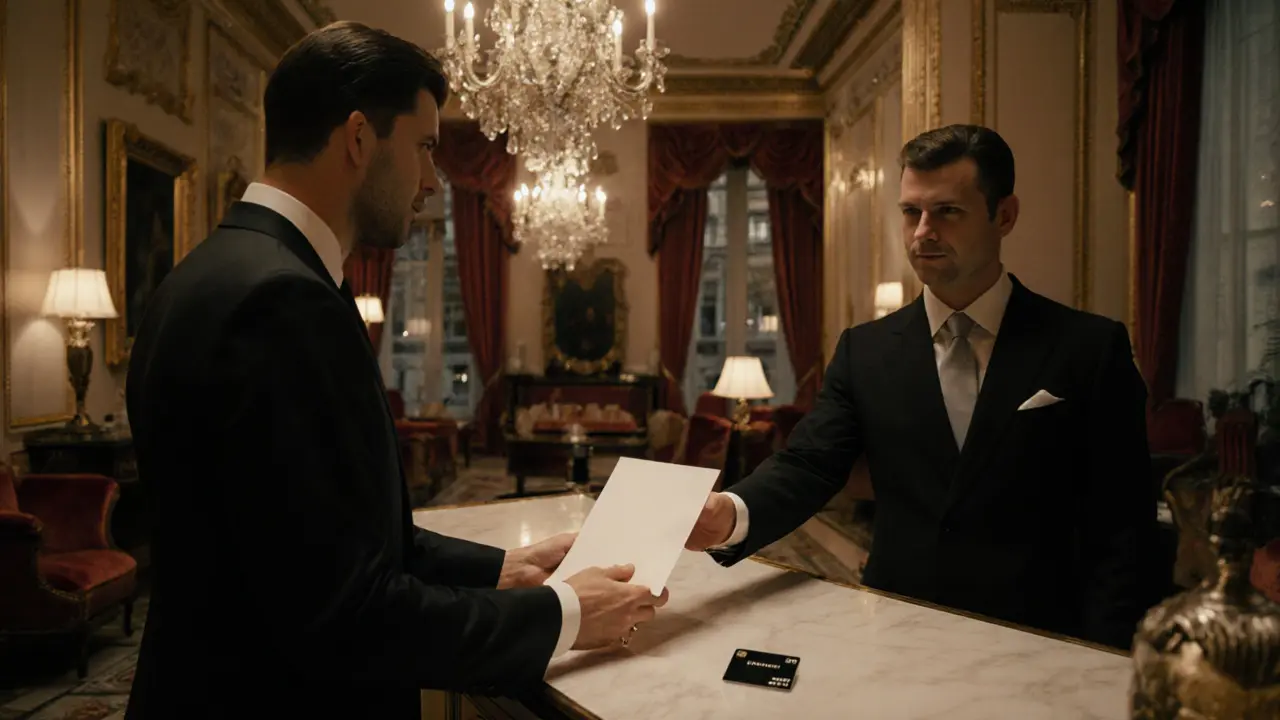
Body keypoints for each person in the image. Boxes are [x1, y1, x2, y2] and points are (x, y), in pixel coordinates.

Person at [124, 22, 665, 720]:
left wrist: (505, 568)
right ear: (358, 138)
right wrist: (565, 613)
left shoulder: (219, 271)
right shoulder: (281, 300)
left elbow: (336, 539)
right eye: (426, 148)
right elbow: (343, 614)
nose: (432, 182)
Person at [686, 124, 1156, 651]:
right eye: (912, 212)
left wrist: (1109, 657)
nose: (922, 232)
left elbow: (1125, 524)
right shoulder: (864, 350)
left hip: (1044, 636)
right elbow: (809, 465)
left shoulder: (1088, 348)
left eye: (947, 212)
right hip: (897, 628)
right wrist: (729, 513)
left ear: (1004, 215)